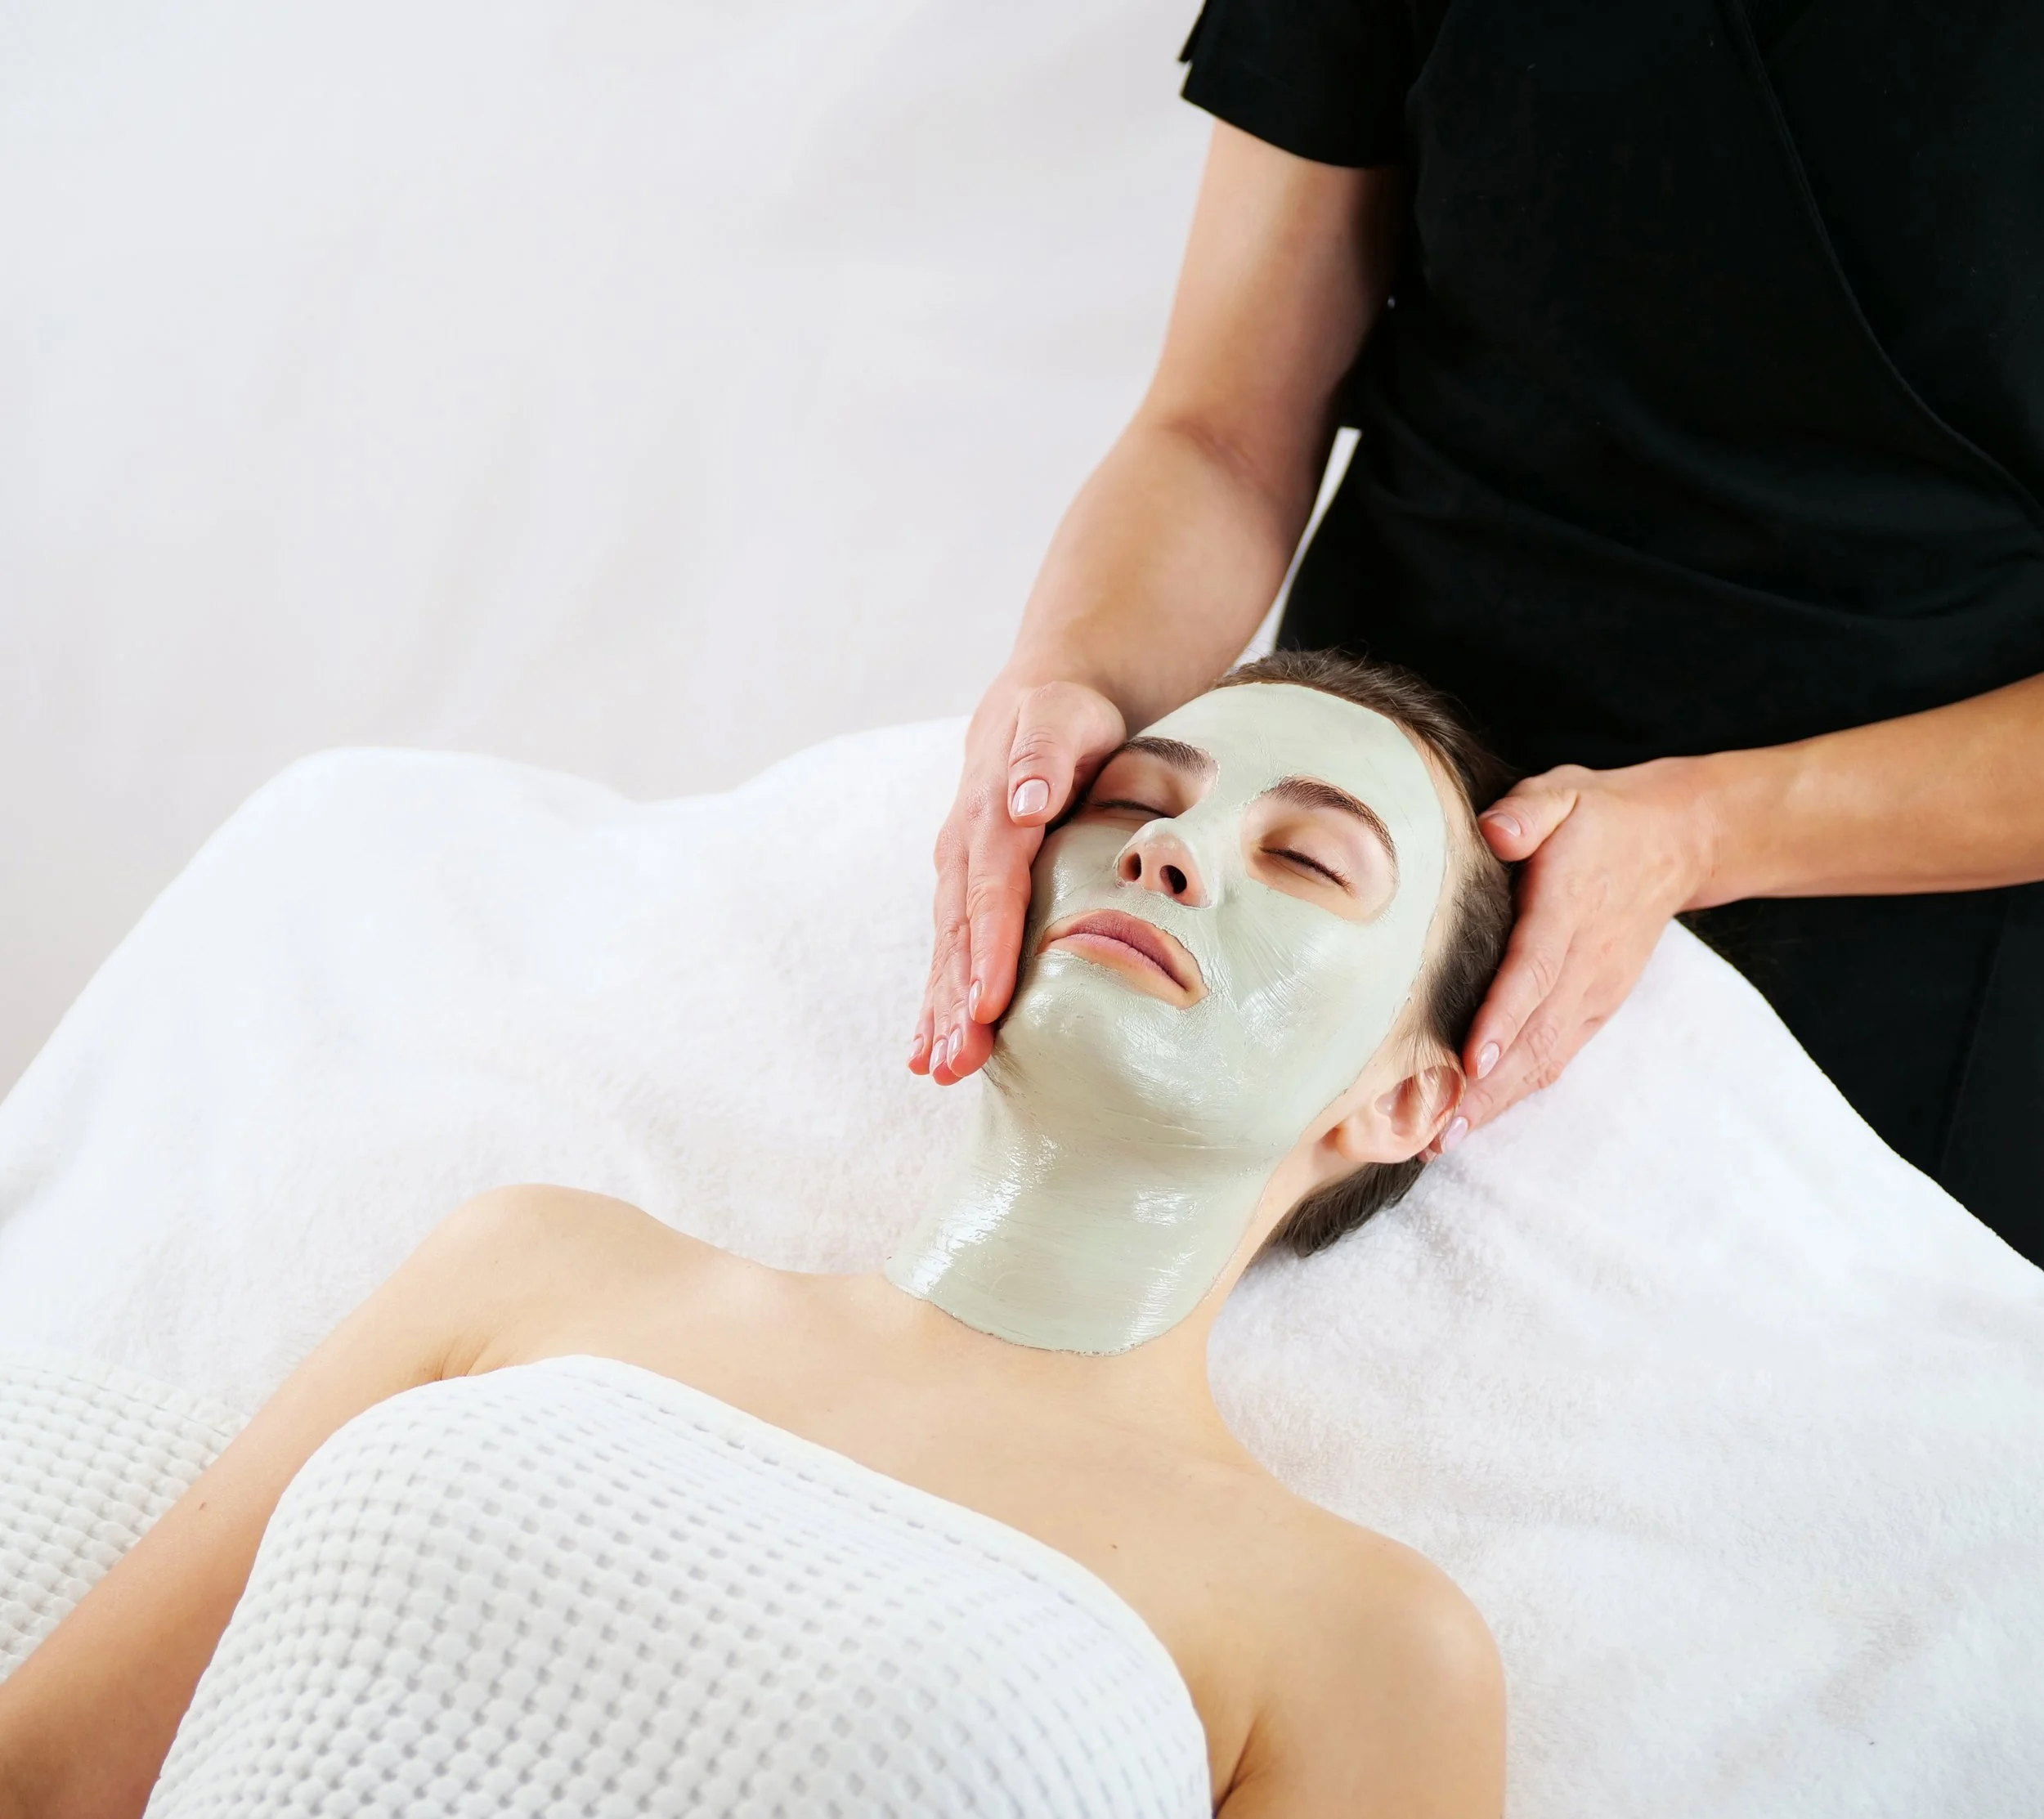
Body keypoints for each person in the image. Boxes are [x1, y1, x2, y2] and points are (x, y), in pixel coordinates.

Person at [0, 655, 1513, 1819]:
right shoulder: (531, 1266)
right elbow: (48, 1779)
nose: (1168, 853)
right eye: (1130, 802)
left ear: (1405, 1096)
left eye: (1310, 862)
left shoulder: (1367, 1648)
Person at [912, 0, 2044, 1261]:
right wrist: (1078, 685)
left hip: (1885, 915)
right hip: (1370, 807)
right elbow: (1222, 431)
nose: (1155, 850)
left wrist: (1707, 831)